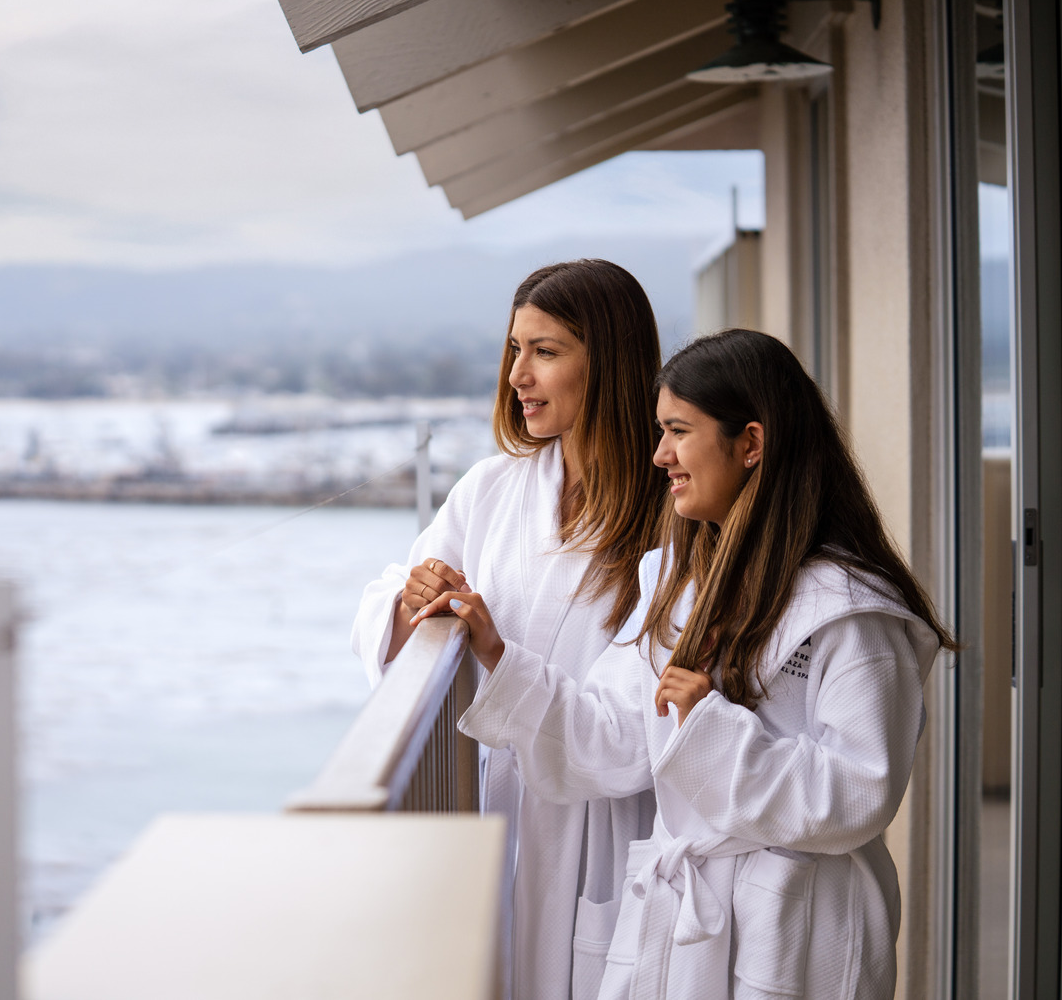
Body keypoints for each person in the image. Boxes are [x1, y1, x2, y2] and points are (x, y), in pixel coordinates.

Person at [419, 327, 958, 998]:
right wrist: (495, 654)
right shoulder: (682, 584)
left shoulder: (849, 611)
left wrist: (711, 728)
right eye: (660, 431)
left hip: (796, 933)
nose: (660, 455)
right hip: (683, 924)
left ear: (751, 443)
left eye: (678, 431)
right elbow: (613, 736)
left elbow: (860, 793)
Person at [351, 260, 664, 999]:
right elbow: (386, 603)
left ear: (610, 363)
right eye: (515, 349)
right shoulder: (492, 489)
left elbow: (638, 723)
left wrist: (496, 650)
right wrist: (412, 600)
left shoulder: (668, 515)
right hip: (500, 808)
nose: (517, 375)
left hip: (605, 825)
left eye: (545, 351)